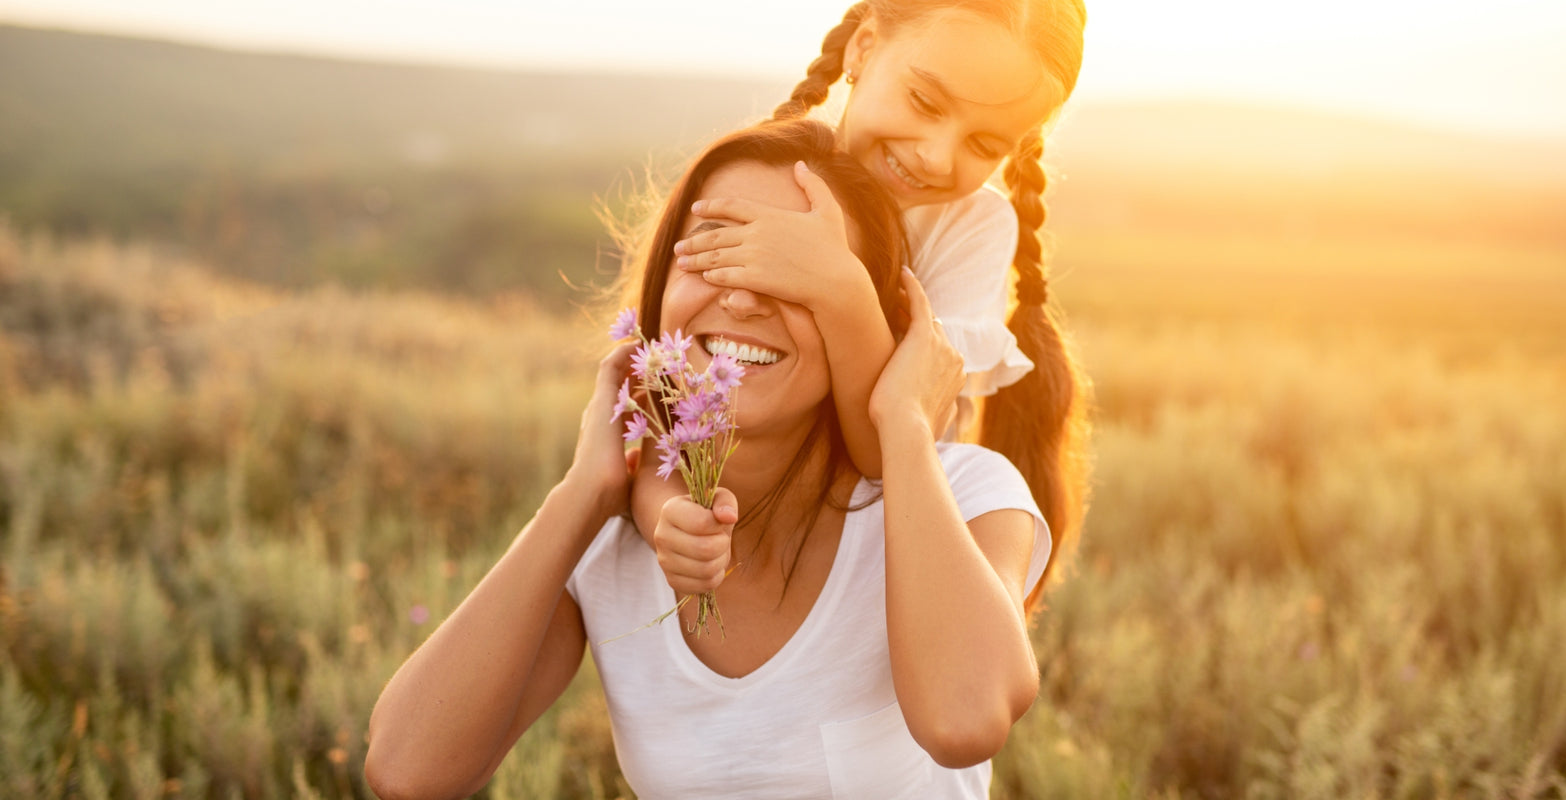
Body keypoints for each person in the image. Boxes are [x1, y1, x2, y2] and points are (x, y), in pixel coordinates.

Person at [365, 119, 1069, 799]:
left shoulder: (962, 495)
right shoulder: (610, 545)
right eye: (714, 253)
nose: (741, 297)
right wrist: (583, 492)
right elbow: (407, 771)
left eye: (799, 275)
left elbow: (963, 722)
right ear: (661, 294)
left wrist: (905, 422)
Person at [647, 0, 1091, 610]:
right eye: (926, 103)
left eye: (984, 144)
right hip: (744, 542)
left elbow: (890, 452)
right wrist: (665, 512)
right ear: (863, 47)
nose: (935, 156)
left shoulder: (969, 229)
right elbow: (662, 405)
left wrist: (842, 287)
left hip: (875, 565)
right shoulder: (764, 177)